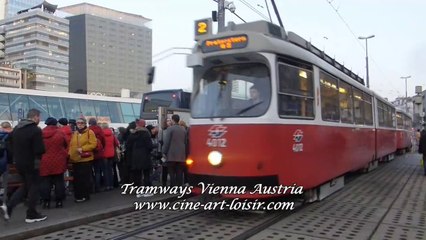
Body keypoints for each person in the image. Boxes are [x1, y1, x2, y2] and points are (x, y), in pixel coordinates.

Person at [1, 109, 46, 223]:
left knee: (26, 186)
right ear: (35, 117)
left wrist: (15, 154)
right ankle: (31, 214)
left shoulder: (17, 128)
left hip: (19, 163)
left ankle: (9, 206)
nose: (39, 119)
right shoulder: (35, 130)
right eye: (39, 117)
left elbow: (7, 142)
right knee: (34, 187)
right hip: (32, 163)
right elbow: (40, 149)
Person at [40, 117, 68, 208]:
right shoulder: (60, 132)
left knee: (45, 182)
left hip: (44, 161)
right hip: (58, 160)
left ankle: (46, 202)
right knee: (59, 181)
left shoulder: (41, 133)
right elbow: (66, 144)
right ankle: (59, 201)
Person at [68, 118, 97, 202]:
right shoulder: (75, 133)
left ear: (85, 124)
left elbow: (93, 144)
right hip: (76, 159)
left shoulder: (89, 132)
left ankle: (85, 195)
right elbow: (72, 145)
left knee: (84, 178)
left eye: (81, 123)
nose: (79, 124)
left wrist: (83, 148)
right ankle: (78, 196)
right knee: (77, 179)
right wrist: (70, 154)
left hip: (85, 159)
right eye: (78, 123)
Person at [125, 119, 153, 197]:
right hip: (145, 156)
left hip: (135, 157)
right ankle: (147, 191)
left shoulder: (132, 134)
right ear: (144, 125)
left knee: (137, 175)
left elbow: (128, 146)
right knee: (146, 174)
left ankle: (139, 192)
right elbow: (149, 146)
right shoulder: (146, 134)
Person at [162, 114, 187, 186]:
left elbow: (167, 142)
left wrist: (164, 152)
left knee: (171, 171)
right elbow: (185, 142)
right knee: (179, 171)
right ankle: (179, 185)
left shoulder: (170, 129)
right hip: (181, 155)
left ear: (173, 120)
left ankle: (173, 186)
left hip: (171, 154)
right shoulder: (183, 129)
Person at [88, 118, 106, 192]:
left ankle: (91, 187)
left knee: (90, 171)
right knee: (98, 171)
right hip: (99, 153)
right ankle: (98, 187)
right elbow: (103, 140)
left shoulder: (88, 130)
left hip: (90, 152)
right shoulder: (99, 129)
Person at [101, 122, 119, 191]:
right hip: (111, 154)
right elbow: (116, 143)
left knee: (105, 170)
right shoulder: (112, 134)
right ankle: (111, 185)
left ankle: (107, 185)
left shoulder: (102, 134)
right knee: (110, 170)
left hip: (104, 154)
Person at [0, 122, 13, 209]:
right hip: (5, 164)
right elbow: (11, 151)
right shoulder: (10, 137)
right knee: (4, 184)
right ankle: (3, 202)